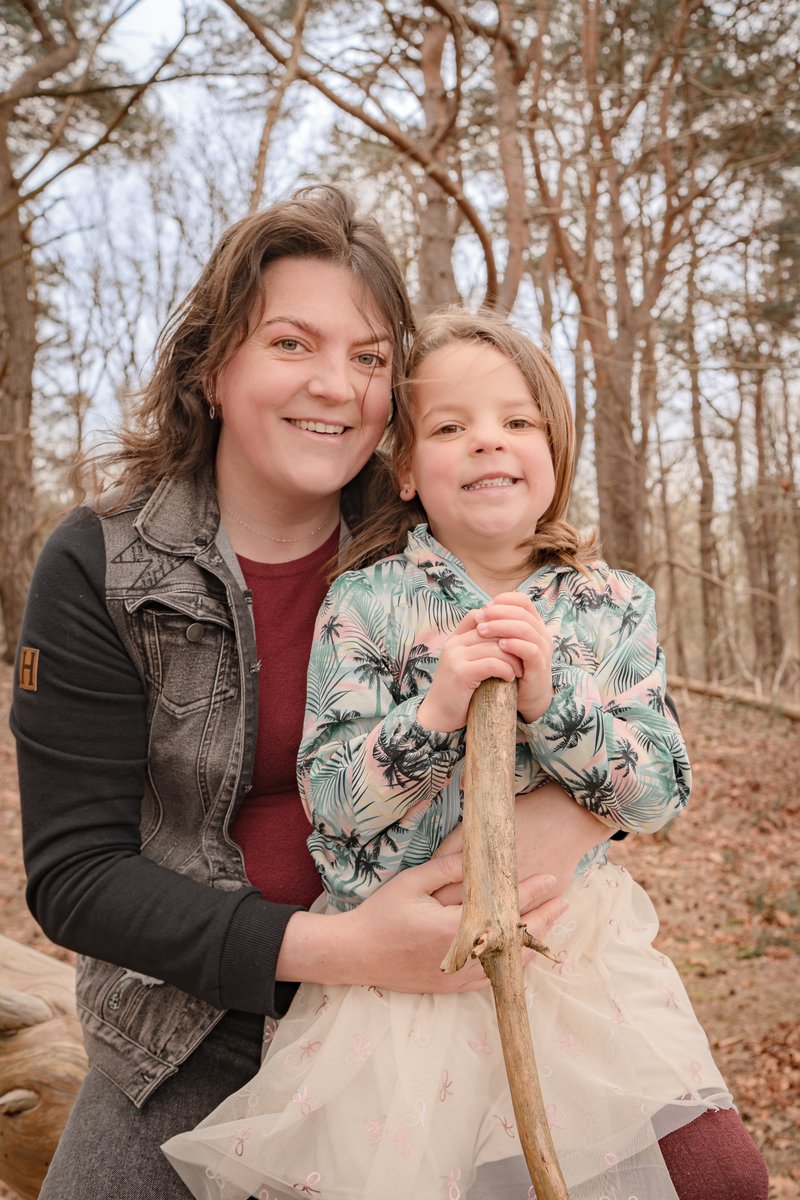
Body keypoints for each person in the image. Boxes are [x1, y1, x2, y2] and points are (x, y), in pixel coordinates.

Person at [11, 189, 608, 1200]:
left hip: (448, 998)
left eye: (371, 358)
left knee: (698, 1173)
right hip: (190, 1024)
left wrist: (519, 857)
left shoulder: (435, 519)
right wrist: (346, 947)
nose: (337, 386)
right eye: (292, 343)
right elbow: (76, 875)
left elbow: (621, 717)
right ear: (212, 366)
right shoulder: (100, 564)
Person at [162, 310, 769, 1200]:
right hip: (406, 977)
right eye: (451, 427)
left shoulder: (611, 605)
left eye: (518, 422)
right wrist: (435, 711)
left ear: (555, 449)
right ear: (405, 469)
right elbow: (331, 807)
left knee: (719, 1179)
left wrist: (551, 702)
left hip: (575, 955)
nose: (489, 443)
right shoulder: (364, 606)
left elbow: (660, 790)